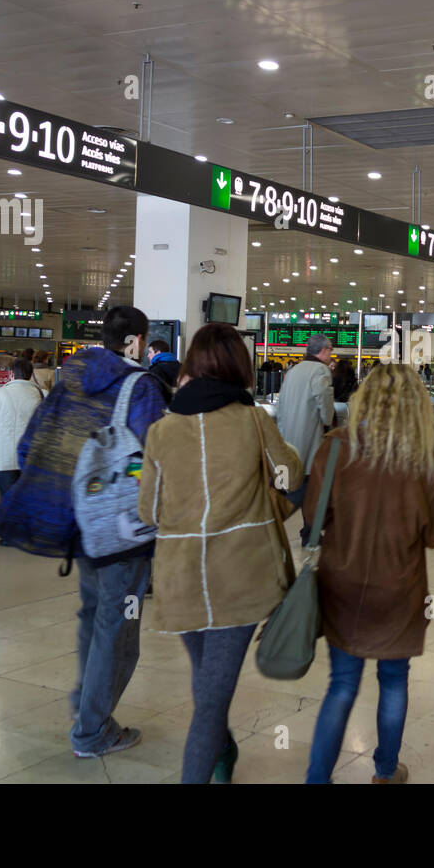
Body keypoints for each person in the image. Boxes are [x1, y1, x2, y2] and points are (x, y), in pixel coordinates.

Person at [0, 305, 168, 759]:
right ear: (136, 341)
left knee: (94, 615)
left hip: (79, 524)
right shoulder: (141, 386)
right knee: (118, 628)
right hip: (122, 531)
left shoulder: (70, 379)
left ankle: (87, 706)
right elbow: (155, 461)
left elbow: (31, 442)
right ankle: (92, 729)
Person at [136, 323, 303, 783]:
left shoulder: (162, 430)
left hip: (181, 578)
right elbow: (293, 476)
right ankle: (213, 760)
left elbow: (148, 511)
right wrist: (270, 507)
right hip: (241, 576)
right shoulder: (253, 420)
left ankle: (223, 754)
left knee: (208, 685)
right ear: (238, 368)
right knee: (211, 699)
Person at [305, 363, 434, 784]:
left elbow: (313, 516)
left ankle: (317, 778)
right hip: (400, 589)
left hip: (342, 584)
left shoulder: (335, 447)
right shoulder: (422, 459)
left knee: (341, 685)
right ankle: (386, 771)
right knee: (394, 680)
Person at [276, 334, 335, 539]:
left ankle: (310, 530)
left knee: (300, 483)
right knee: (310, 486)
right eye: (330, 349)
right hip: (310, 434)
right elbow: (324, 403)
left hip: (289, 435)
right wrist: (328, 419)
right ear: (323, 350)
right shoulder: (320, 370)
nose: (331, 353)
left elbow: (281, 402)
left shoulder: (294, 370)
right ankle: (306, 529)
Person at [0, 357, 43, 496]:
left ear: (11, 374)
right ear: (31, 375)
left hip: (0, 459)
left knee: (9, 501)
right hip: (30, 459)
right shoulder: (41, 396)